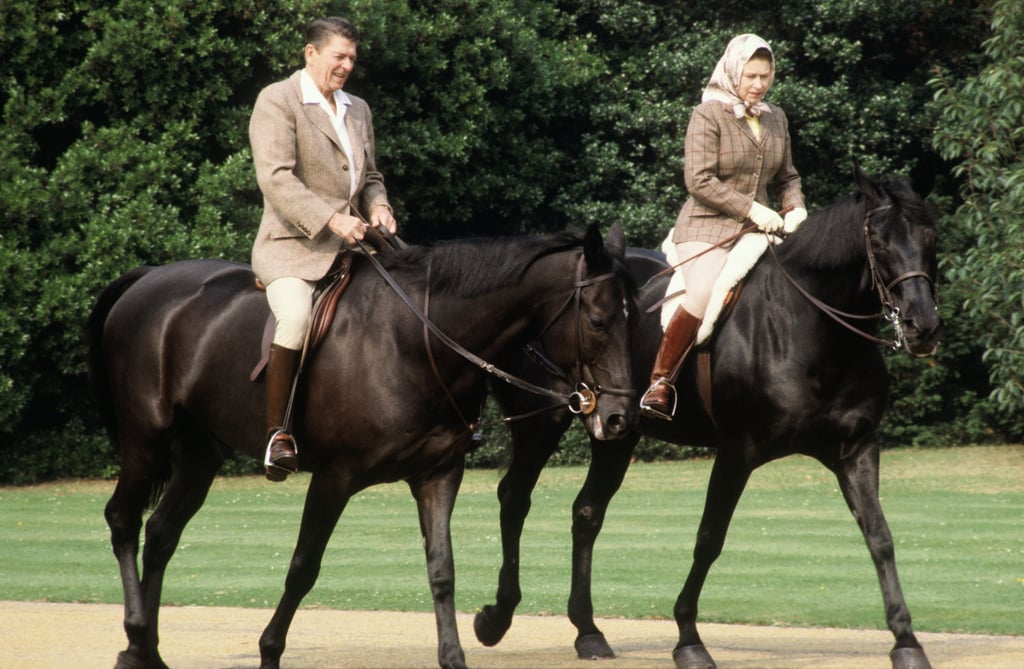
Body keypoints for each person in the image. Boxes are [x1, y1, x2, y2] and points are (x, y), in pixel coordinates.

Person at [250, 16, 397, 480]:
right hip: (293, 245)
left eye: (353, 57)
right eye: (340, 56)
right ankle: (278, 434)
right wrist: (330, 219)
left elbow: (369, 177)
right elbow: (275, 177)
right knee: (295, 317)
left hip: (357, 245)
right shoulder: (278, 100)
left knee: (420, 296)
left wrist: (380, 208)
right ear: (311, 53)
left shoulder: (358, 109)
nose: (348, 65)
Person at [639, 33, 807, 420]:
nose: (758, 85)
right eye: (750, 76)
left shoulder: (775, 117)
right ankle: (660, 383)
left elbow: (787, 176)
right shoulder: (708, 114)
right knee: (700, 293)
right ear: (733, 72)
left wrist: (794, 206)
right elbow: (699, 180)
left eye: (765, 76)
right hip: (707, 227)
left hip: (759, 230)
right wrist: (752, 209)